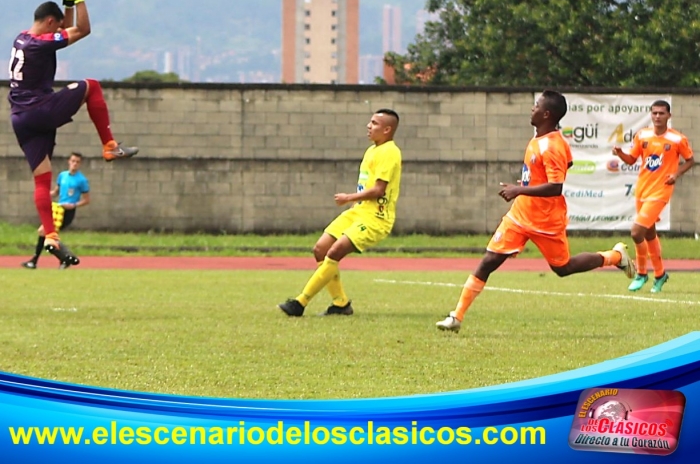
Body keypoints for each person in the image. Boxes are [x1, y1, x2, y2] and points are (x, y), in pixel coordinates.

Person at [436, 89, 635, 332]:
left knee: (563, 269)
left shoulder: (552, 146)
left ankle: (615, 257)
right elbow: (565, 164)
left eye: (537, 105)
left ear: (547, 114)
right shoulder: (541, 138)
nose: (533, 108)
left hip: (546, 220)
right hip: (520, 216)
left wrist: (519, 190)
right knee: (489, 261)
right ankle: (456, 317)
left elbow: (555, 187)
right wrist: (524, 191)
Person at [8, 0, 138, 267]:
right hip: (39, 110)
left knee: (42, 180)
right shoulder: (40, 45)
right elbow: (82, 29)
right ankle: (109, 146)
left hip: (20, 119)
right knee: (91, 86)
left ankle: (51, 236)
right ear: (49, 21)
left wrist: (65, 1)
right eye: (57, 25)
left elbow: (64, 28)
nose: (60, 32)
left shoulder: (22, 38)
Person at [278, 109, 402, 317]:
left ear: (387, 129)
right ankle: (341, 304)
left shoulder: (389, 152)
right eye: (369, 122)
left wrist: (348, 197)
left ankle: (300, 302)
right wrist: (354, 204)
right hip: (359, 212)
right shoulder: (372, 150)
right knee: (320, 249)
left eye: (374, 123)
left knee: (334, 252)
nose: (368, 126)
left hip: (376, 219)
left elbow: (379, 190)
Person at [612, 101, 694, 293]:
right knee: (649, 233)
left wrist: (676, 174)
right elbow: (632, 159)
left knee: (636, 232)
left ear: (669, 116)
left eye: (661, 113)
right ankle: (660, 274)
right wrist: (620, 153)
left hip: (661, 191)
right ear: (651, 115)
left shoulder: (677, 139)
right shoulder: (643, 135)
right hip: (643, 189)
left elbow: (690, 160)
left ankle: (641, 273)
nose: (657, 116)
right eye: (655, 113)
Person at [21, 152, 90, 270]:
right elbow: (56, 192)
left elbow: (86, 200)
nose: (74, 164)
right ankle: (61, 259)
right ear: (69, 161)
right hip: (57, 208)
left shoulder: (82, 180)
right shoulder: (62, 175)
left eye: (77, 162)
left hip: (67, 212)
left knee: (45, 232)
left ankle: (60, 258)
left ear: (80, 164)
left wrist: (73, 205)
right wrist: (44, 195)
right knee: (46, 232)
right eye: (73, 161)